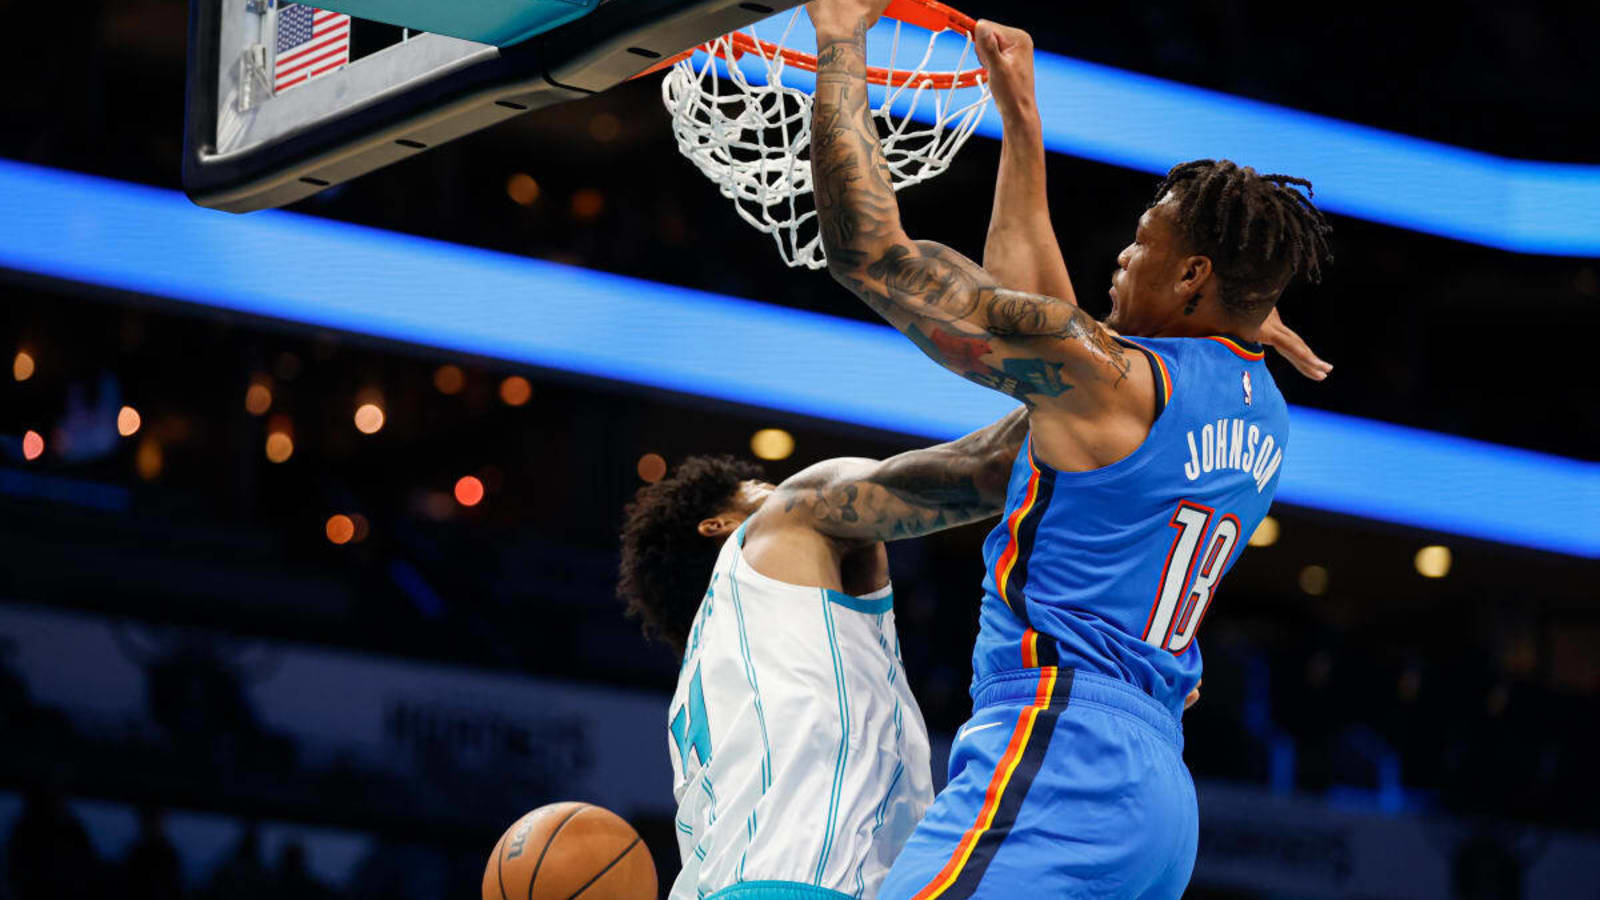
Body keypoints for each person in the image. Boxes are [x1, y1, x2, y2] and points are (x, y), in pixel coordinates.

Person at [804, 2, 1334, 896]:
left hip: (1061, 751)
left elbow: (868, 252)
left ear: (1196, 275)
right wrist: (1022, 124)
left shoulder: (1113, 381)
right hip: (1159, 793)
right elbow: (1055, 324)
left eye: (1141, 244)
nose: (1121, 260)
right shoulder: (1265, 413)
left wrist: (839, 36)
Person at [618, 408, 1027, 900]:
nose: (780, 488)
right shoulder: (781, 524)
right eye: (757, 486)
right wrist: (1102, 371)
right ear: (719, 525)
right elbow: (989, 464)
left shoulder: (711, 675)